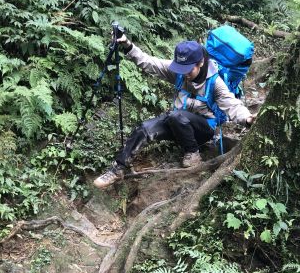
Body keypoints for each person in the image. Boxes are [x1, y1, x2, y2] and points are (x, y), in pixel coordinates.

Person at [93, 34, 255, 189]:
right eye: (181, 69)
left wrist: (247, 119)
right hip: (177, 122)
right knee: (144, 128)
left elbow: (232, 105)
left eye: (188, 70)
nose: (184, 74)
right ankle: (117, 170)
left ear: (200, 63)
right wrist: (127, 45)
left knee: (176, 116)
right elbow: (149, 62)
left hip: (203, 130)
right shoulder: (180, 72)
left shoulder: (215, 83)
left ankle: (193, 153)